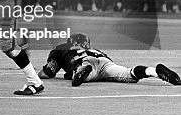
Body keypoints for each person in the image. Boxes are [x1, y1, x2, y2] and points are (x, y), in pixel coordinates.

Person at [40, 33, 181, 87]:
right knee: (129, 73)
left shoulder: (62, 48)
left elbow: (48, 72)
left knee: (81, 74)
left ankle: (80, 71)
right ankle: (153, 71)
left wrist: (42, 72)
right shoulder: (95, 48)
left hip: (84, 61)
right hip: (104, 61)